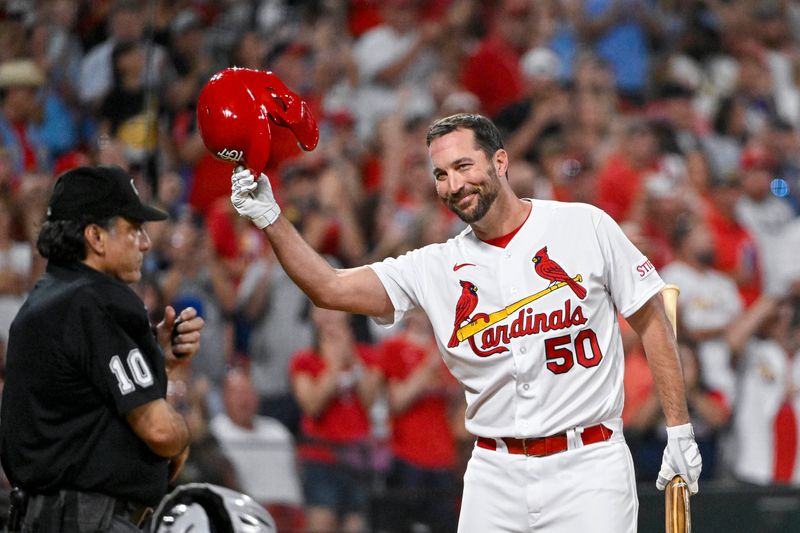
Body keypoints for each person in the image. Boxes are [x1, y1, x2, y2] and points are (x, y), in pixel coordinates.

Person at [229, 112, 701, 532]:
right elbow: (328, 287)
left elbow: (653, 318)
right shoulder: (434, 266)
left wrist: (679, 429)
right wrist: (271, 217)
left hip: (589, 463)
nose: (453, 185)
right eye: (440, 174)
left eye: (462, 167)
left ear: (499, 162)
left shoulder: (584, 226)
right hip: (494, 472)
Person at [0, 165, 205, 532]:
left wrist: (158, 357)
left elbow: (87, 411)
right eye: (133, 229)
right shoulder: (96, 301)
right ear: (95, 236)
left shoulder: (46, 299)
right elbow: (160, 432)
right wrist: (182, 438)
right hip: (88, 517)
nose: (144, 242)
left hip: (42, 515)